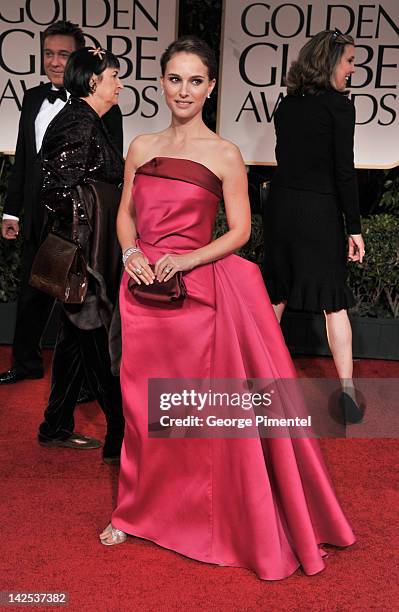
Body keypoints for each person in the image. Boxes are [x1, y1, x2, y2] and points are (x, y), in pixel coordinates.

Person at [99, 36, 355, 581]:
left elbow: (239, 232)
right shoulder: (142, 146)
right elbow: (124, 216)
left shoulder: (225, 154)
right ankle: (134, 510)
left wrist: (187, 259)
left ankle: (193, 514)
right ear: (162, 83)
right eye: (175, 79)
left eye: (196, 80)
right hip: (141, 294)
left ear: (211, 87)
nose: (184, 90)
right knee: (143, 415)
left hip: (194, 300)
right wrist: (130, 253)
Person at [0, 21, 123, 406]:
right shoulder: (37, 100)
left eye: (63, 54)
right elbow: (27, 162)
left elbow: (106, 171)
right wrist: (13, 211)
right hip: (53, 219)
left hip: (78, 224)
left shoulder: (103, 112)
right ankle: (27, 363)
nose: (55, 61)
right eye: (49, 53)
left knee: (80, 312)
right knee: (39, 295)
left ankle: (72, 404)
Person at [262, 29, 365, 420]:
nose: (352, 70)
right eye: (349, 61)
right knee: (333, 302)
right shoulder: (340, 106)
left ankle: (260, 388)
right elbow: (344, 172)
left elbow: (282, 156)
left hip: (283, 209)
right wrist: (353, 228)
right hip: (319, 212)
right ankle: (349, 395)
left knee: (277, 295)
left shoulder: (287, 105)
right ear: (329, 62)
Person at [37, 46, 125, 462]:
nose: (119, 84)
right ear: (93, 81)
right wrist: (85, 245)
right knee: (94, 334)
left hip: (90, 247)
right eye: (113, 76)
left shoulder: (89, 120)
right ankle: (120, 433)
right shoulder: (78, 121)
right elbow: (56, 190)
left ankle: (55, 425)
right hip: (85, 255)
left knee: (75, 337)